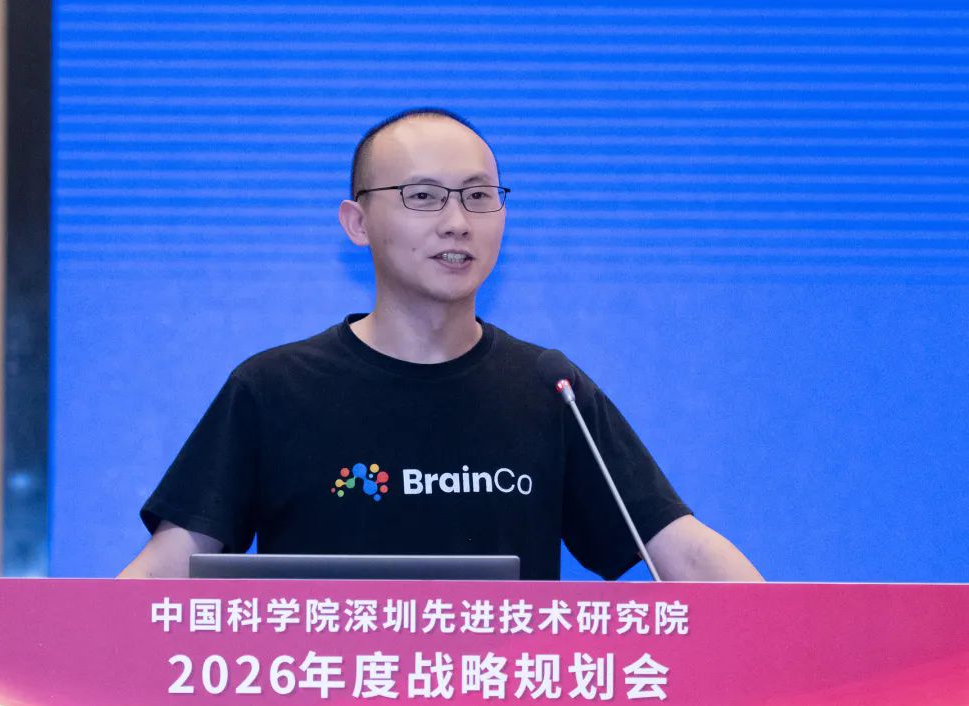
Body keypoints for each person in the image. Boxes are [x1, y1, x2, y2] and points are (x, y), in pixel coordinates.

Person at [119, 108, 763, 582]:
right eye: (423, 196)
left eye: (479, 196)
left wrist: (801, 647)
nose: (457, 221)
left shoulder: (550, 389)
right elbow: (169, 568)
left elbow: (683, 554)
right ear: (357, 223)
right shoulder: (273, 389)